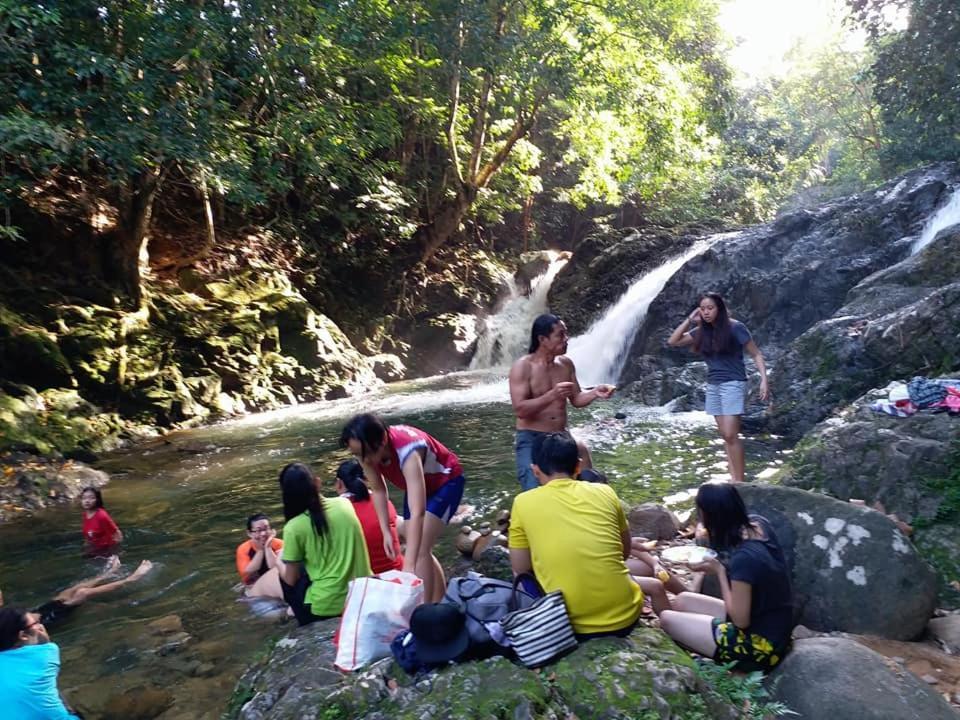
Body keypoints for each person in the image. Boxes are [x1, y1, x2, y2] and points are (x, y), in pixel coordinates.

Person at [508, 432, 658, 639]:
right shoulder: (605, 492)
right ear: (578, 466)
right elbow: (623, 552)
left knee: (521, 574)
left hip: (571, 626)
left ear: (535, 471)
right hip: (627, 615)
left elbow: (521, 568)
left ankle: (543, 616)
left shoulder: (522, 502)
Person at [658, 482, 793, 672]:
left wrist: (720, 572)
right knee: (682, 601)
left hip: (762, 645)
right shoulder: (758, 524)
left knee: (666, 619)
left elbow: (740, 621)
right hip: (774, 623)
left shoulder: (744, 559)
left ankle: (719, 665)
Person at [340, 414, 466, 603]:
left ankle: (425, 611)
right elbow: (379, 490)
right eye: (356, 454)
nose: (362, 460)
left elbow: (418, 512)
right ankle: (439, 601)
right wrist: (386, 531)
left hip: (446, 481)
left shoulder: (408, 450)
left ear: (381, 442)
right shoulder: (367, 454)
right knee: (420, 546)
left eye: (364, 453)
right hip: (417, 485)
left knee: (420, 547)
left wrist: (408, 567)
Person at [666, 293, 768, 483]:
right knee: (725, 435)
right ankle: (734, 478)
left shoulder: (736, 328)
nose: (706, 312)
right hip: (713, 385)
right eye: (702, 309)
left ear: (719, 309)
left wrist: (764, 380)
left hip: (733, 383)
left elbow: (756, 354)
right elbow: (673, 342)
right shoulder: (701, 331)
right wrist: (690, 319)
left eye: (710, 308)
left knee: (731, 433)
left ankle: (739, 481)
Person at [509, 314, 614, 492]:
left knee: (587, 480)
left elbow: (577, 399)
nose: (566, 339)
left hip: (561, 436)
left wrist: (595, 392)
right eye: (560, 335)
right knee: (534, 490)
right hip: (532, 437)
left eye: (566, 334)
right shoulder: (523, 367)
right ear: (542, 339)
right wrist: (552, 395)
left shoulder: (566, 364)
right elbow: (520, 410)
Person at [276, 463, 371, 626]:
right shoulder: (344, 504)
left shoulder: (293, 527)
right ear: (318, 483)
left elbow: (291, 580)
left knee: (286, 570)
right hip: (364, 594)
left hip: (327, 607)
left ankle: (300, 620)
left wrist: (278, 561)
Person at [1, 557, 154, 630]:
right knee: (82, 593)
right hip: (39, 622)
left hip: (33, 614)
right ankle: (132, 579)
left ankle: (108, 574)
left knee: (69, 591)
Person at [0, 607, 80, 719]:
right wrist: (45, 641)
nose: (41, 626)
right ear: (23, 635)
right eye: (36, 623)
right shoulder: (47, 651)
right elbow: (47, 649)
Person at [334, 459, 403, 574]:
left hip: (364, 581)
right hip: (397, 572)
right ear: (367, 477)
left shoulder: (336, 511)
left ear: (338, 483)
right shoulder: (385, 503)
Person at [235, 514, 285, 600]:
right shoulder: (243, 549)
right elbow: (247, 574)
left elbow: (277, 569)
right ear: (249, 533)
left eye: (266, 529)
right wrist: (261, 550)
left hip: (275, 585)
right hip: (254, 591)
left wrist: (268, 547)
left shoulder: (279, 544)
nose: (263, 533)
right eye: (258, 530)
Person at [80, 486, 122, 554]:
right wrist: (86, 546)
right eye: (84, 498)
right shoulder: (85, 514)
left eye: (91, 498)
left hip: (106, 551)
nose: (87, 501)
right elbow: (88, 534)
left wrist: (115, 555)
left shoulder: (102, 516)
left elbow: (117, 534)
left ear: (97, 500)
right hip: (93, 548)